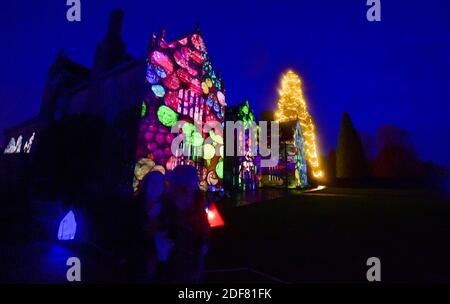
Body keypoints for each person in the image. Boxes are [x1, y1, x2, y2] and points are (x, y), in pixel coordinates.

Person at [157, 165, 210, 283]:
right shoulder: (169, 200)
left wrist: (203, 240)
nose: (195, 181)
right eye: (193, 179)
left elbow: (202, 224)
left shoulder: (196, 198)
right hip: (174, 252)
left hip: (191, 249)